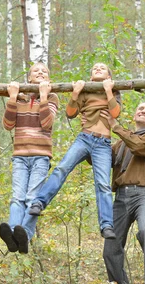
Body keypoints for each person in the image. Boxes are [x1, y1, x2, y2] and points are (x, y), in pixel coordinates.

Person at [29, 63, 121, 240]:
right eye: (94, 68)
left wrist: (109, 91)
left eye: (103, 67)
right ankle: (39, 202)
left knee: (103, 183)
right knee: (61, 168)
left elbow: (115, 113)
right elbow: (70, 113)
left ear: (109, 76)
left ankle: (107, 225)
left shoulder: (114, 90)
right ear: (91, 77)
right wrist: (76, 93)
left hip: (103, 143)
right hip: (84, 138)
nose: (98, 68)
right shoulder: (85, 89)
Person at [101, 102, 145, 284]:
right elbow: (104, 159)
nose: (143, 111)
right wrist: (92, 138)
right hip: (121, 196)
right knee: (111, 245)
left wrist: (115, 126)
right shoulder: (122, 143)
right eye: (140, 108)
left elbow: (138, 146)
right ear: (134, 115)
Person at [0, 62, 59, 254]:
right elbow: (8, 124)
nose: (40, 72)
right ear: (29, 78)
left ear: (48, 79)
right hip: (20, 156)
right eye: (36, 71)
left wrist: (42, 96)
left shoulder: (52, 97)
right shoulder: (20, 98)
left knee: (32, 197)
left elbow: (47, 123)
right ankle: (14, 233)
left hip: (41, 155)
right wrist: (13, 98)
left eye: (44, 71)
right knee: (17, 197)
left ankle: (25, 233)